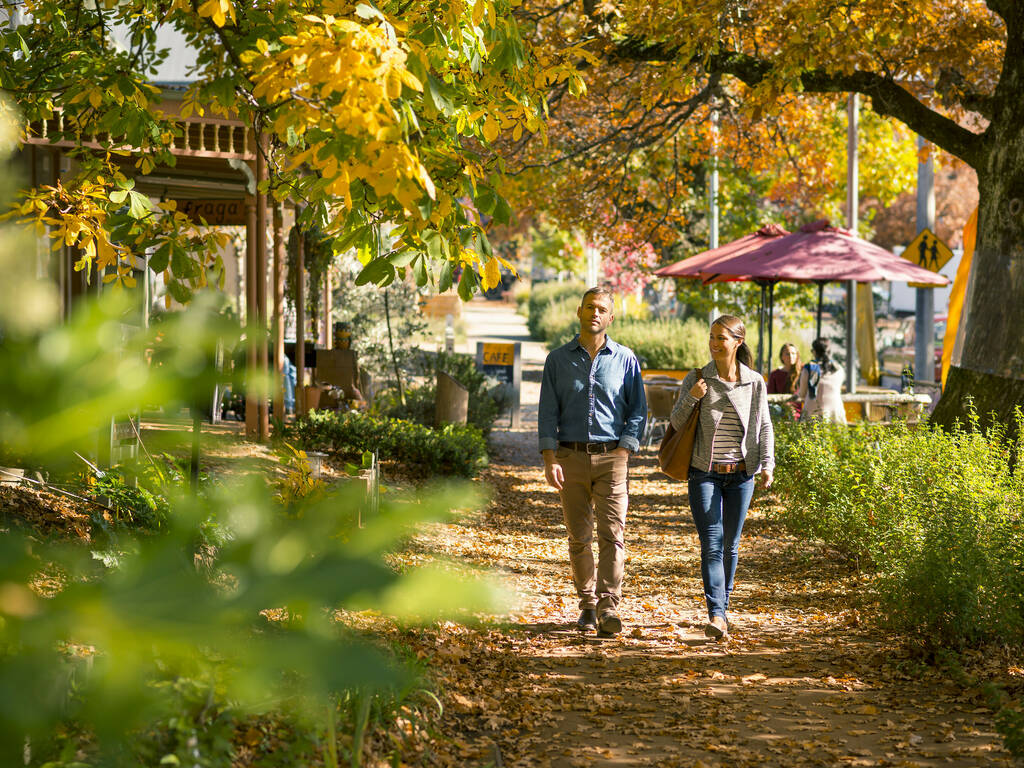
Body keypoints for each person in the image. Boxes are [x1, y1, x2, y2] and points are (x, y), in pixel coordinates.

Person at [538, 286, 647, 636]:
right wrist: (549, 457)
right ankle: (586, 605)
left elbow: (637, 411)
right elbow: (546, 413)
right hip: (569, 457)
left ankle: (608, 605)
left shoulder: (626, 359)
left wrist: (625, 451)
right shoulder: (557, 360)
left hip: (611, 458)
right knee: (578, 537)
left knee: (613, 536)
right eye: (589, 307)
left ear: (611, 317)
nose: (594, 313)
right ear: (579, 312)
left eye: (601, 308)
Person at [670, 315, 775, 640]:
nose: (715, 344)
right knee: (712, 544)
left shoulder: (754, 381)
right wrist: (693, 396)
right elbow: (674, 422)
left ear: (738, 342)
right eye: (712, 337)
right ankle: (716, 613)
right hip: (705, 474)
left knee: (731, 545)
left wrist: (768, 463)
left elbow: (765, 425)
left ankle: (722, 609)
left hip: (742, 475)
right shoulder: (698, 378)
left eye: (722, 338)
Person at [797, 338, 847, 423]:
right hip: (835, 412)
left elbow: (802, 394)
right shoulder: (839, 369)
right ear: (829, 351)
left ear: (814, 352)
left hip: (812, 412)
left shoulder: (808, 369)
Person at [767, 342, 802, 420]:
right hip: (780, 411)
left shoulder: (802, 372)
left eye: (793, 353)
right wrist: (785, 405)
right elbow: (770, 396)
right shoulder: (775, 374)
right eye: (787, 354)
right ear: (782, 356)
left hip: (800, 412)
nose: (791, 356)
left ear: (797, 355)